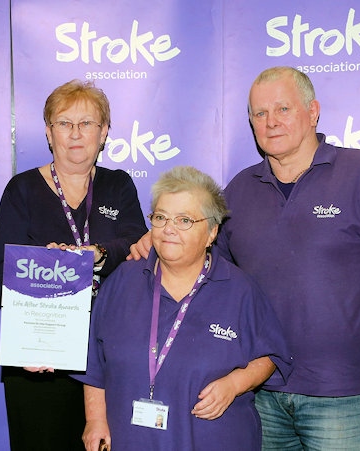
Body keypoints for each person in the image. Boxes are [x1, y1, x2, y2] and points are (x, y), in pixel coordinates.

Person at [130, 67, 360, 450]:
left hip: (347, 396)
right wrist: (166, 232)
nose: (270, 122)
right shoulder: (240, 191)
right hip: (259, 394)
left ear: (313, 111)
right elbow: (202, 262)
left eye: (283, 109)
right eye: (259, 113)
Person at [78, 166, 291, 451]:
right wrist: (95, 419)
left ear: (212, 232)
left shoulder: (240, 291)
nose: (169, 229)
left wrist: (235, 384)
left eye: (184, 220)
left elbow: (270, 355)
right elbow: (94, 363)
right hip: (132, 440)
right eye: (161, 217)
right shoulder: (121, 282)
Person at [0, 79, 148, 450]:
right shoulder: (22, 190)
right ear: (49, 133)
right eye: (64, 123)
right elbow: (6, 273)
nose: (75, 134)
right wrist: (32, 343)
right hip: (42, 356)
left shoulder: (119, 185)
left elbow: (138, 247)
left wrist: (96, 253)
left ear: (104, 132)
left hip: (110, 352)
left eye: (87, 123)